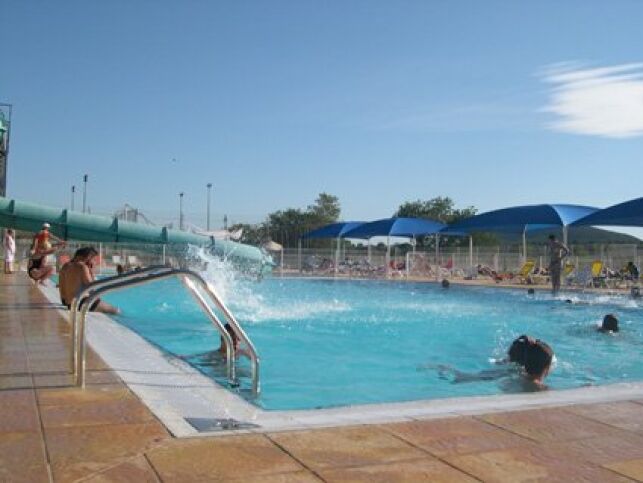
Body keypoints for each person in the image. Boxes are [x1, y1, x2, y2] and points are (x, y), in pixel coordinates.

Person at [59, 247, 120, 314]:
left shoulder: (67, 266)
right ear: (88, 257)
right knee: (116, 311)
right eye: (93, 258)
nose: (93, 261)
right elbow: (91, 286)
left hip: (69, 303)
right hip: (81, 302)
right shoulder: (82, 267)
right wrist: (91, 271)